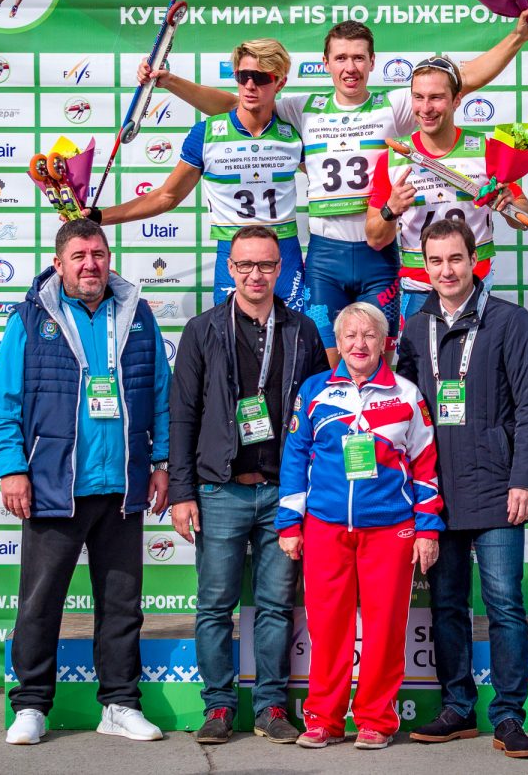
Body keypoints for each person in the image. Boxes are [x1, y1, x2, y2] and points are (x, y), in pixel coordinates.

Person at [137, 10, 528, 362]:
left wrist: (516, 36)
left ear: (372, 62)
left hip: (378, 254)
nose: (350, 67)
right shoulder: (303, 108)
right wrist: (169, 82)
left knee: (383, 361)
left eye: (358, 58)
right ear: (326, 63)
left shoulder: (394, 105)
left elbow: (464, 79)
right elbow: (233, 104)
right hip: (325, 256)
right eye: (340, 58)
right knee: (325, 360)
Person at [0, 218, 171, 745]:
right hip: (53, 485)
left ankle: (119, 704)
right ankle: (31, 705)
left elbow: (160, 394)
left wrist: (161, 462)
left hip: (122, 487)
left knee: (122, 606)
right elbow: (3, 402)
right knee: (40, 603)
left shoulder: (136, 314)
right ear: (59, 263)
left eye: (99, 255)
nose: (91, 265)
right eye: (80, 256)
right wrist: (12, 468)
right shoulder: (30, 317)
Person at [169, 224, 329, 745]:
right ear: (230, 268)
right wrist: (182, 492)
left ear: (280, 269)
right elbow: (182, 414)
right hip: (220, 490)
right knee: (215, 606)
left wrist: (309, 492)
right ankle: (218, 707)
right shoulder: (202, 330)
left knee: (276, 606)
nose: (255, 274)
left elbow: (316, 414)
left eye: (265, 265)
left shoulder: (303, 330)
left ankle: (271, 707)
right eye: (244, 265)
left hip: (282, 491)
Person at [396, 219, 528, 759]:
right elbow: (404, 414)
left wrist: (525, 479)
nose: (446, 271)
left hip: (497, 490)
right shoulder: (414, 328)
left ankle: (508, 717)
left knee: (504, 604)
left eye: (455, 259)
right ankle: (458, 708)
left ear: (474, 259)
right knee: (446, 605)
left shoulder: (512, 322)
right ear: (424, 266)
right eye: (435, 261)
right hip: (437, 493)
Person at [276, 301, 442, 750]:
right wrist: (289, 522)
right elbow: (295, 458)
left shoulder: (407, 394)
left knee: (385, 628)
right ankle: (323, 720)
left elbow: (426, 466)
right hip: (325, 527)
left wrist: (427, 530)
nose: (359, 344)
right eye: (350, 335)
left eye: (369, 335)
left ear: (385, 342)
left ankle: (375, 719)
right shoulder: (314, 390)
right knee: (328, 628)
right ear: (338, 342)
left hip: (391, 529)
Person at [95, 39, 306, 310]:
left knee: (295, 335)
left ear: (280, 83)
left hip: (284, 254)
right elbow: (167, 196)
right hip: (234, 252)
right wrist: (99, 217)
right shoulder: (206, 134)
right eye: (243, 76)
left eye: (261, 78)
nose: (250, 85)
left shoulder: (294, 131)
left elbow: (329, 182)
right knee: (233, 335)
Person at [365, 55, 528, 321]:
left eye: (436, 97)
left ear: (456, 100)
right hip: (420, 289)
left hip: (474, 284)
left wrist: (510, 204)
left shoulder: (485, 149)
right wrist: (390, 210)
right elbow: (375, 238)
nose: (426, 108)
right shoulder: (393, 158)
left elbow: (524, 219)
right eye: (418, 97)